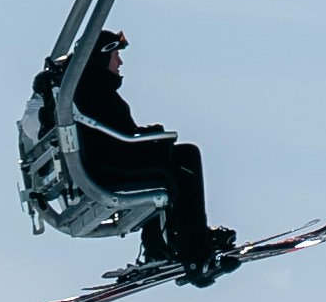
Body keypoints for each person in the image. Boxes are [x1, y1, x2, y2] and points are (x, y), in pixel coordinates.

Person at [65, 31, 235, 279]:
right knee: (185, 157)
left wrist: (151, 138)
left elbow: (112, 135)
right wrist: (155, 136)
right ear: (100, 58)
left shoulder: (84, 89)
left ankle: (164, 247)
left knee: (168, 160)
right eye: (115, 56)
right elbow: (117, 140)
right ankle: (195, 251)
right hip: (108, 167)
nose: (120, 62)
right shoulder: (96, 91)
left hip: (103, 163)